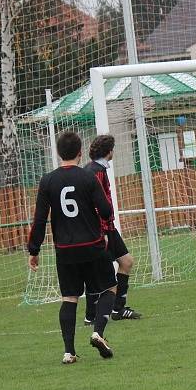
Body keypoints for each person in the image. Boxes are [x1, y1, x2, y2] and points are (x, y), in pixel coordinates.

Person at [27, 131, 118, 363]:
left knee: (69, 298)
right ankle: (97, 332)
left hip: (65, 250)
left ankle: (69, 352)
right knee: (109, 288)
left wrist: (34, 250)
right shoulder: (88, 178)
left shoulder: (48, 180)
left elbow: (39, 219)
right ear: (80, 152)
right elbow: (106, 210)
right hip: (92, 245)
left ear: (58, 153)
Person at [83, 135, 141, 324]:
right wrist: (100, 231)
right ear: (108, 151)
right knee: (99, 272)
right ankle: (91, 316)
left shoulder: (96, 169)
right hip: (101, 229)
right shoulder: (96, 171)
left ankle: (118, 309)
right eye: (113, 149)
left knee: (126, 261)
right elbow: (95, 204)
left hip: (108, 228)